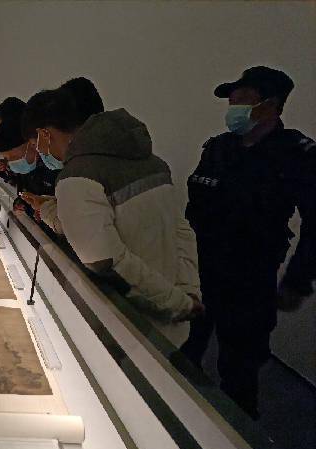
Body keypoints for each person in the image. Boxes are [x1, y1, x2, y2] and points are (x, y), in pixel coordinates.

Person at [182, 66, 315, 418]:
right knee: (182, 352)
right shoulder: (219, 148)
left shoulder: (294, 153)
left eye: (242, 100)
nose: (233, 109)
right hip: (200, 271)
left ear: (270, 105)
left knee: (239, 374)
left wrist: (297, 280)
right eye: (231, 101)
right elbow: (194, 207)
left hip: (249, 280)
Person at [21, 88, 203, 345]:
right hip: (175, 325)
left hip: (133, 330)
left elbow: (106, 262)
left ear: (44, 134)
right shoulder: (153, 162)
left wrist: (178, 304)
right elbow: (180, 231)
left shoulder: (76, 177)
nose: (39, 152)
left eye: (35, 144)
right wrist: (188, 294)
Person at [0, 116, 57, 217]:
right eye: (7, 158)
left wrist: (46, 210)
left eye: (13, 157)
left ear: (32, 143)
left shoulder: (53, 165)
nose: (11, 162)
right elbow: (19, 185)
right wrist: (21, 203)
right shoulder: (27, 167)